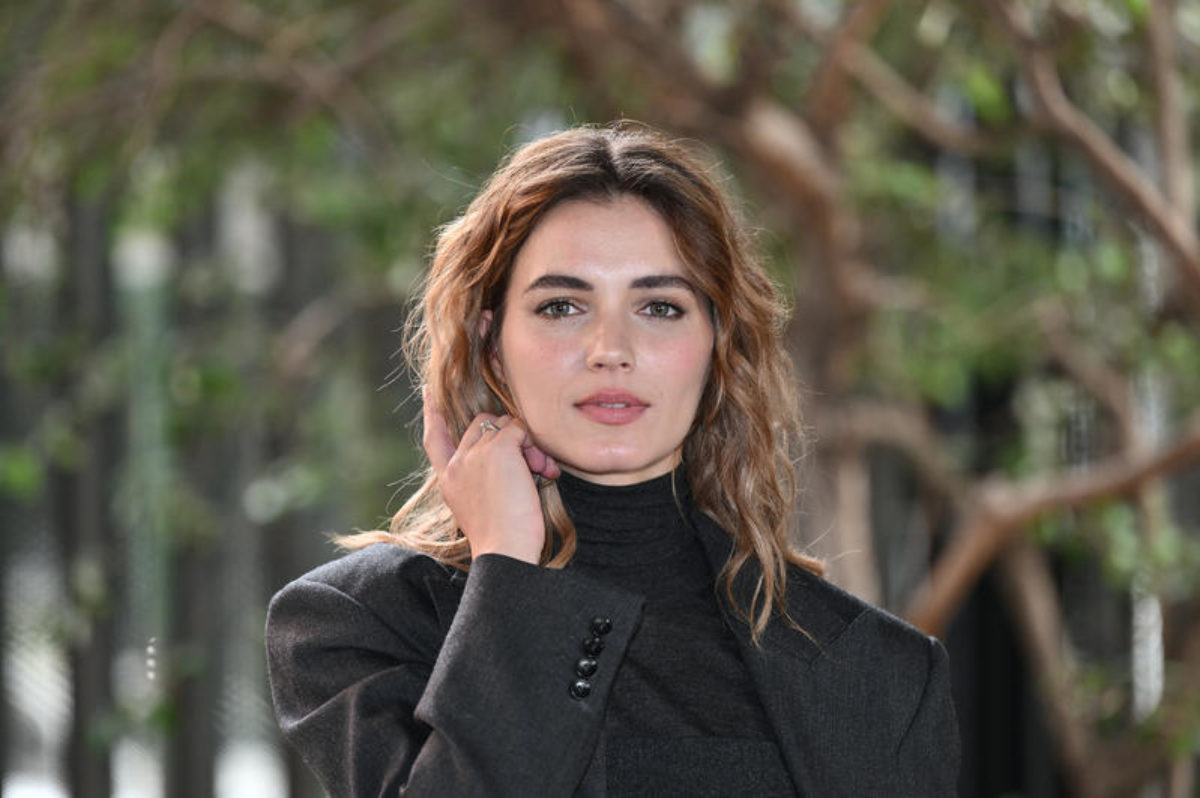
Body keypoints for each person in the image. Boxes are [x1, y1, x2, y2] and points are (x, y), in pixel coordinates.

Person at [265, 122, 959, 797]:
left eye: (659, 307)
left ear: (718, 345)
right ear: (492, 346)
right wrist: (508, 573)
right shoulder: (358, 623)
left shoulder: (882, 671)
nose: (611, 350)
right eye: (561, 306)